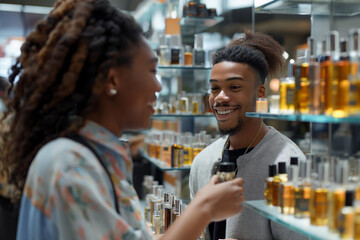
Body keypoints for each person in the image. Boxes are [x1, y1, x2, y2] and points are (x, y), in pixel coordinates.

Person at [0, 0, 244, 239]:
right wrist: (203, 209)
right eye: (151, 70)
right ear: (113, 80)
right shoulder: (71, 164)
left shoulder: (91, 157)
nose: (157, 85)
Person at [189, 31, 306, 240]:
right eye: (214, 88)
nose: (221, 98)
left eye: (234, 87)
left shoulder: (289, 163)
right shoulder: (203, 162)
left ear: (260, 93)